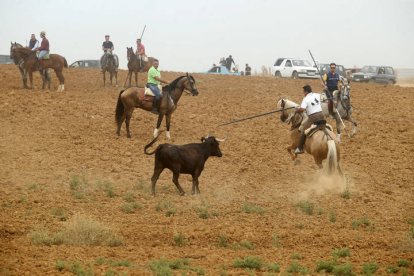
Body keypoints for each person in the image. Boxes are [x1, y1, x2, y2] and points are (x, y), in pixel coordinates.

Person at [294, 85, 325, 154]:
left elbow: (302, 109)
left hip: (313, 118)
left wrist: (297, 110)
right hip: (321, 115)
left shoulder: (305, 99)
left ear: (306, 92)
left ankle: (300, 148)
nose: (303, 93)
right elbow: (323, 96)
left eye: (303, 92)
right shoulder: (317, 95)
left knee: (303, 130)